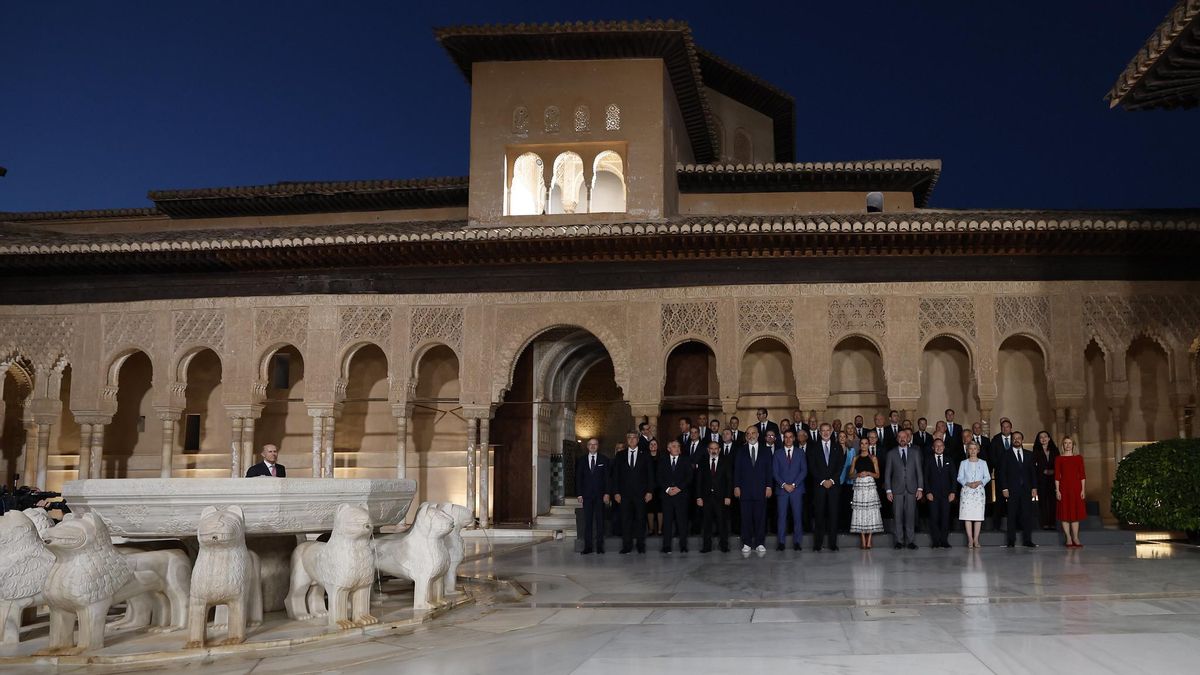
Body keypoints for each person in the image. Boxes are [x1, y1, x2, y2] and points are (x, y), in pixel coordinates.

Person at [734, 426, 773, 553]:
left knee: (760, 518)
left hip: (761, 490)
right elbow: (737, 471)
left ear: (758, 435)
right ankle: (747, 543)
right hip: (744, 491)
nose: (751, 435)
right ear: (746, 436)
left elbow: (769, 470)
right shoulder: (740, 451)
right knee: (746, 518)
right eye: (748, 433)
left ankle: (760, 543)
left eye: (753, 433)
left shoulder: (766, 451)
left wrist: (769, 486)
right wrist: (736, 486)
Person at [613, 432, 654, 554]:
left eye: (634, 437)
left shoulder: (645, 455)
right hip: (624, 494)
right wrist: (616, 492)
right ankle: (627, 546)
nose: (632, 440)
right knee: (626, 520)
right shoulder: (620, 455)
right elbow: (615, 476)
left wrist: (650, 491)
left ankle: (640, 545)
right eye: (629, 438)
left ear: (638, 440)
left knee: (641, 519)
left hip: (641, 494)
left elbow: (650, 475)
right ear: (627, 440)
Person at [807, 423, 844, 551]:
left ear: (832, 431)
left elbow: (840, 466)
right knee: (819, 515)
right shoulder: (813, 447)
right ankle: (818, 544)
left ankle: (833, 544)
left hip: (833, 486)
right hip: (819, 486)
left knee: (833, 515)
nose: (826, 433)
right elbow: (812, 467)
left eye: (828, 430)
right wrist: (823, 480)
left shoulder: (837, 447)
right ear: (819, 432)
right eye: (823, 430)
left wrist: (832, 480)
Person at [884, 429, 924, 549]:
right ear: (897, 439)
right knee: (897, 516)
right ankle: (899, 541)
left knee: (910, 515)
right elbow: (887, 474)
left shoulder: (915, 452)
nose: (902, 439)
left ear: (908, 439)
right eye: (900, 437)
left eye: (905, 437)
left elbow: (919, 472)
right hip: (896, 490)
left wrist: (920, 488)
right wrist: (888, 490)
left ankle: (910, 541)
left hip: (912, 489)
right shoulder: (891, 453)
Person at [997, 431, 1037, 547]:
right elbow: (1002, 473)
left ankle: (1027, 540)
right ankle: (1011, 540)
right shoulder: (1005, 454)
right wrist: (1004, 488)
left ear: (1022, 440)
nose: (1016, 440)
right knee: (1011, 515)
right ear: (1011, 440)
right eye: (1014, 438)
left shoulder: (1029, 454)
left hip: (1026, 489)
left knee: (1027, 515)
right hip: (1011, 489)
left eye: (1019, 438)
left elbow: (1032, 473)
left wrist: (1034, 487)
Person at [773, 430, 808, 551]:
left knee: (797, 516)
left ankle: (797, 542)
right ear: (783, 439)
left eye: (790, 437)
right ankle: (781, 542)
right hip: (782, 490)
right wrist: (784, 484)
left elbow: (804, 471)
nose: (788, 439)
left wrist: (793, 484)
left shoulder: (800, 453)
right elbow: (775, 472)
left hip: (796, 490)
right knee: (781, 517)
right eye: (786, 437)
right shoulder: (777, 453)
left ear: (794, 439)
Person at [696, 441, 734, 552]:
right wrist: (699, 497)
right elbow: (699, 481)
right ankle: (706, 547)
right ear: (708, 450)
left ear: (719, 450)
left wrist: (728, 496)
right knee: (707, 523)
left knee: (722, 522)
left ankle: (724, 546)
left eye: (716, 448)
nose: (713, 450)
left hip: (721, 497)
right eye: (711, 448)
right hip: (706, 497)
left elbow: (729, 480)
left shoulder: (726, 461)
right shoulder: (702, 462)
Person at [575, 438, 610, 554]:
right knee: (588, 522)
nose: (593, 446)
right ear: (587, 446)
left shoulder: (604, 459)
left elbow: (607, 478)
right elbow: (578, 479)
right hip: (587, 496)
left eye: (595, 444)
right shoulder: (581, 460)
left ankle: (600, 547)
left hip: (600, 496)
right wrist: (579, 494)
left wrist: (607, 493)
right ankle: (588, 547)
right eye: (590, 444)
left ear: (598, 446)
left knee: (600, 521)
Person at [658, 440, 692, 554]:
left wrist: (679, 488)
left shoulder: (686, 460)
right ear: (668, 449)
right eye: (674, 446)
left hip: (681, 495)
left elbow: (689, 477)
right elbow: (659, 477)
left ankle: (683, 545)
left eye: (678, 446)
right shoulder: (662, 460)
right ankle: (666, 546)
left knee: (682, 521)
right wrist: (667, 489)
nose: (677, 448)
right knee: (667, 522)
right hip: (667, 496)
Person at [849, 437, 883, 549]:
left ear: (869, 445)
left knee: (871, 511)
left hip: (870, 486)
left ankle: (869, 540)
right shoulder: (855, 458)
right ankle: (863, 539)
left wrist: (868, 472)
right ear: (860, 445)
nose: (864, 445)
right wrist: (858, 474)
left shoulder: (873, 458)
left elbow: (878, 475)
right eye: (862, 444)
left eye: (866, 443)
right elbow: (850, 475)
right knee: (860, 511)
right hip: (859, 487)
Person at [924, 438, 957, 548]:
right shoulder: (928, 460)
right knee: (934, 518)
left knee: (945, 518)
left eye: (941, 445)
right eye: (936, 446)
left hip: (946, 495)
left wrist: (953, 492)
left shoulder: (949, 459)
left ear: (944, 447)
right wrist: (927, 492)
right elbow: (925, 478)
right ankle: (935, 541)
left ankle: (944, 540)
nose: (939, 448)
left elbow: (953, 477)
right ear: (933, 447)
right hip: (933, 494)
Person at [1055, 436, 1086, 548]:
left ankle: (1076, 537)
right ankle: (1068, 537)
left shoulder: (1078, 458)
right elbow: (1057, 476)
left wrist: (1083, 489)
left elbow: (1082, 475)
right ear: (1062, 445)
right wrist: (1057, 490)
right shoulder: (1059, 459)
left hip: (1076, 488)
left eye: (1069, 443)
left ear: (1073, 445)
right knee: (1064, 514)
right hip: (1063, 488)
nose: (1067, 445)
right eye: (1065, 443)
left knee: (1075, 514)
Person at [957, 441, 990, 548]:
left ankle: (976, 539)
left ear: (978, 450)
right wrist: (967, 483)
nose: (972, 451)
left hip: (979, 492)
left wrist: (980, 482)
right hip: (967, 491)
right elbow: (959, 477)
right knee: (967, 516)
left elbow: (987, 477)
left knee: (978, 516)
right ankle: (970, 540)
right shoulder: (963, 463)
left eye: (974, 449)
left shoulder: (983, 462)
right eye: (970, 449)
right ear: (967, 450)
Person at [1032, 430, 1059, 530]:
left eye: (1045, 437)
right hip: (1041, 479)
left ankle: (1053, 523)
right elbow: (1033, 467)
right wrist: (1042, 471)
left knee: (1052, 501)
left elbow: (1059, 464)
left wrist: (1054, 471)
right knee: (1042, 502)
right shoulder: (1036, 451)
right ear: (1039, 440)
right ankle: (1044, 523)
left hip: (1053, 479)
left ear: (1049, 438)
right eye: (1041, 437)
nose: (1043, 439)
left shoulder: (1055, 450)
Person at [645, 438, 663, 536]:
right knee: (650, 509)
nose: (653, 446)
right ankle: (651, 529)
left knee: (660, 509)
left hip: (660, 487)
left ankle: (660, 530)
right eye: (651, 444)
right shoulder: (645, 457)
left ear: (657, 446)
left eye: (654, 444)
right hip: (649, 487)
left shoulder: (662, 458)